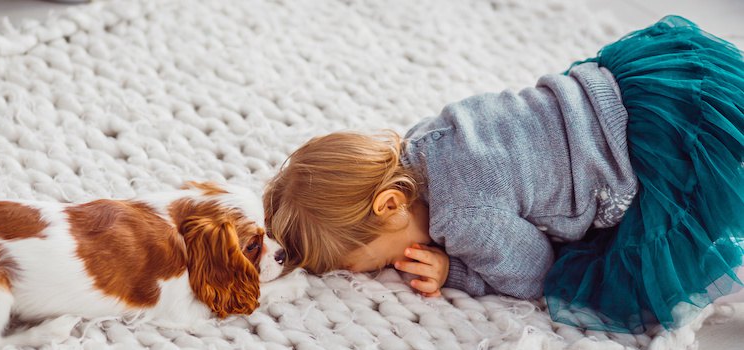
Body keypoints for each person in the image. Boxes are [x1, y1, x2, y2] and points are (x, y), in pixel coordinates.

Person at [263, 16, 744, 333]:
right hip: (642, 90)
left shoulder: (463, 216)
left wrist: (457, 272)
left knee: (686, 251)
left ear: (390, 205)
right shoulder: (424, 138)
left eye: (368, 262)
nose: (385, 269)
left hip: (643, 159)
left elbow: (535, 271)